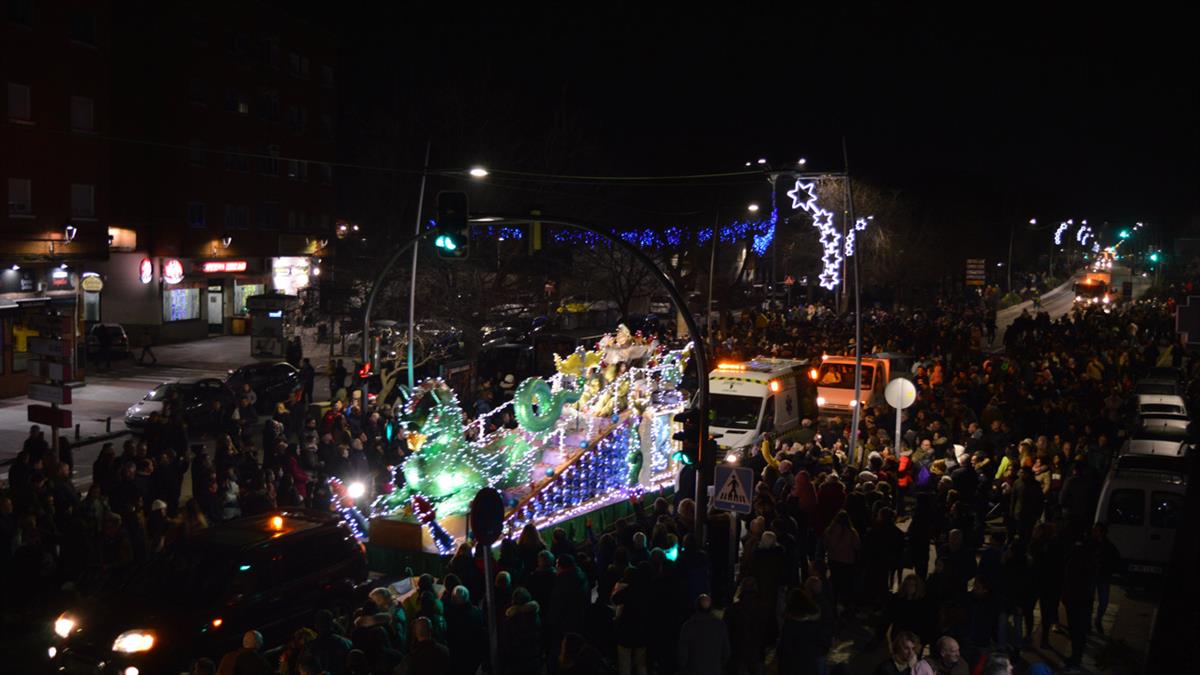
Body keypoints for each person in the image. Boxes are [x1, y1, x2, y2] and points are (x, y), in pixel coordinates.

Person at [676, 594, 730, 675]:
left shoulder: (688, 626)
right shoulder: (720, 625)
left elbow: (683, 654)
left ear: (696, 607)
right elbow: (726, 651)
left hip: (694, 670)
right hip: (715, 670)